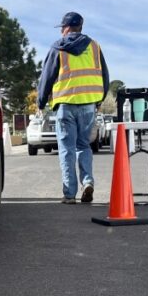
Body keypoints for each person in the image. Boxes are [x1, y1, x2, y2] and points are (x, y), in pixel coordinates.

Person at [36, 12, 110, 204]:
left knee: (66, 149)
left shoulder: (57, 47)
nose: (61, 31)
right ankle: (87, 182)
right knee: (83, 146)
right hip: (88, 105)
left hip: (65, 105)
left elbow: (46, 77)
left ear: (68, 28)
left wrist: (40, 103)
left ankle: (70, 194)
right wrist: (99, 100)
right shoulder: (94, 46)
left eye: (62, 27)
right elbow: (105, 76)